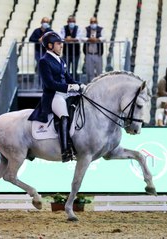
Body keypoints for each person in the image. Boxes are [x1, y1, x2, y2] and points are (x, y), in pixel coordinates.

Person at [28, 31, 85, 162]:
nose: (61, 46)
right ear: (49, 46)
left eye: (61, 44)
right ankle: (65, 151)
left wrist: (80, 85)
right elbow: (50, 84)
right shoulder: (44, 61)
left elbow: (68, 78)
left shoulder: (61, 60)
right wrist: (69, 87)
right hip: (53, 95)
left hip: (65, 93)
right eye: (58, 44)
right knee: (64, 116)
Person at [82, 17, 105, 82]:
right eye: (91, 22)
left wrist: (97, 39)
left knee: (99, 71)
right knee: (90, 72)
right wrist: (89, 39)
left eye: (94, 22)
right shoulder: (86, 29)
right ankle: (91, 86)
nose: (93, 23)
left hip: (98, 54)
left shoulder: (101, 29)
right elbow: (82, 38)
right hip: (88, 54)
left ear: (97, 22)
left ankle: (100, 85)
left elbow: (104, 38)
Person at [59, 15, 82, 80]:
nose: (71, 22)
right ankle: (67, 84)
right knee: (66, 69)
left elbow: (79, 38)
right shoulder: (64, 28)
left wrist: (69, 39)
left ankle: (75, 84)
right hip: (66, 53)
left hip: (76, 53)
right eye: (70, 21)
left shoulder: (78, 28)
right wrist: (71, 39)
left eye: (73, 21)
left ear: (75, 22)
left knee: (75, 70)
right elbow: (61, 38)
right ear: (67, 22)